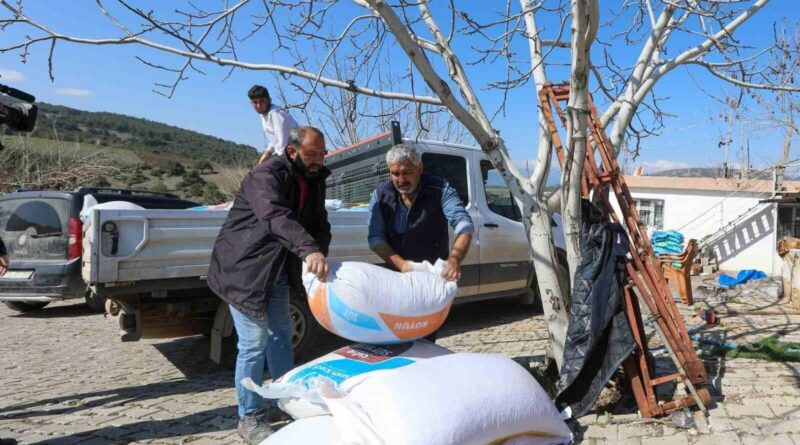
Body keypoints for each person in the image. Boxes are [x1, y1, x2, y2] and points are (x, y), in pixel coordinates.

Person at [207, 126, 331, 444]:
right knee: (253, 344)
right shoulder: (265, 175)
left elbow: (319, 224)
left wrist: (319, 256)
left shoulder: (314, 179)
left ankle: (283, 402)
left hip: (274, 271)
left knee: (281, 337)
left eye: (321, 153)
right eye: (311, 154)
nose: (318, 160)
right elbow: (275, 215)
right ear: (292, 152)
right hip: (244, 269)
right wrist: (308, 249)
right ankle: (250, 416)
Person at [367, 144, 474, 341]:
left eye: (407, 172)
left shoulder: (441, 189)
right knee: (393, 336)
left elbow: (464, 225)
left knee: (424, 336)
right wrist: (402, 265)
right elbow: (375, 238)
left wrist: (454, 260)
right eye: (395, 173)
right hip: (395, 277)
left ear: (420, 168)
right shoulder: (380, 194)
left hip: (429, 280)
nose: (401, 180)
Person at [248, 85, 299, 165]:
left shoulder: (276, 113)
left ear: (269, 100)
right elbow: (275, 139)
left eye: (261, 101)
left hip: (294, 154)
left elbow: (283, 143)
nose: (258, 105)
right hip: (287, 153)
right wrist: (267, 154)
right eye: (255, 102)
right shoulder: (264, 114)